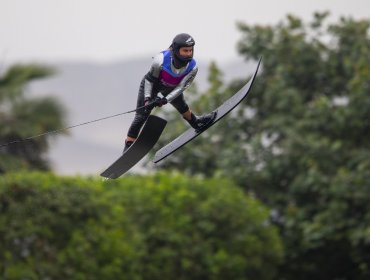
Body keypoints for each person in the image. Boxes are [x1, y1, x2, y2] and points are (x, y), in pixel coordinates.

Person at [124, 33, 215, 152]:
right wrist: (147, 99)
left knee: (182, 106)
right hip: (151, 85)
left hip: (171, 88)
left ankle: (196, 122)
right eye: (185, 51)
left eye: (190, 50)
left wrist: (165, 99)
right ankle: (129, 143)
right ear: (176, 50)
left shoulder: (193, 67)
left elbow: (181, 87)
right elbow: (150, 80)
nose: (188, 54)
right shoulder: (160, 60)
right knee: (141, 115)